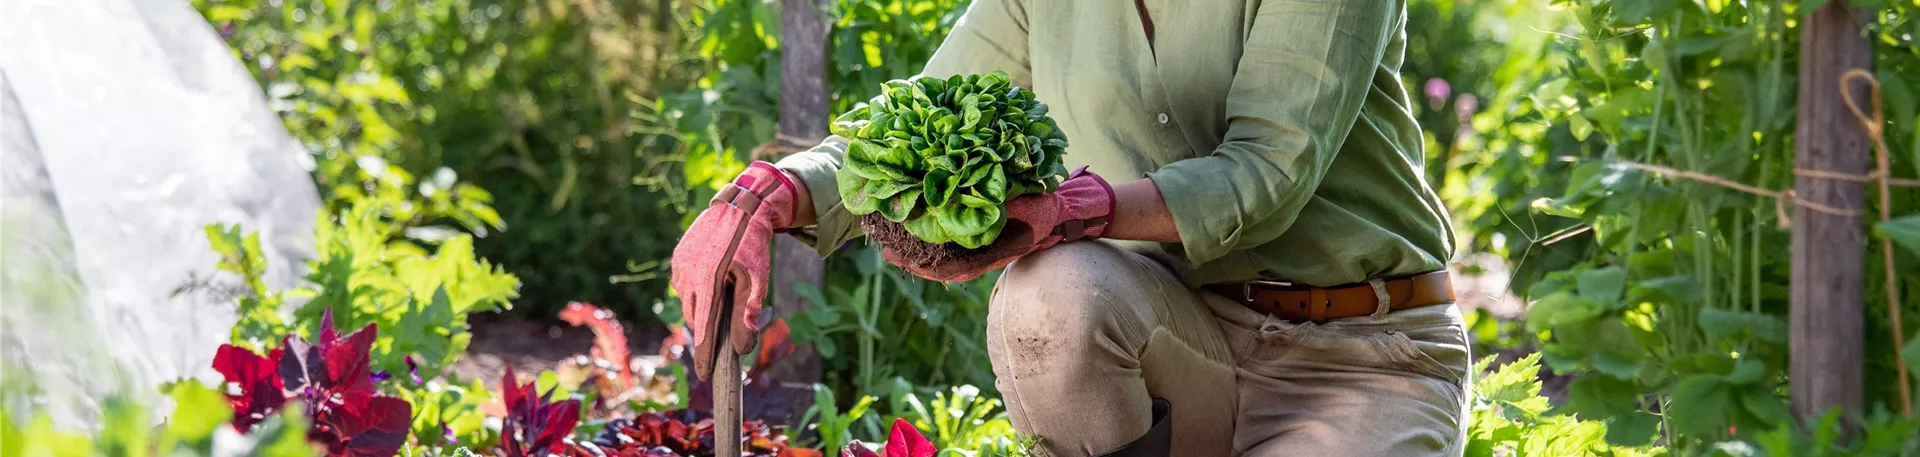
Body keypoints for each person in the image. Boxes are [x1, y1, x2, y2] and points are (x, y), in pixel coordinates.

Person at [670, 0, 1469, 454]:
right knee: (1052, 294)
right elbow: (913, 124)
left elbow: (1266, 171)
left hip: (1364, 359)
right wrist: (768, 193)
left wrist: (1080, 207)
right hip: (1184, 340)